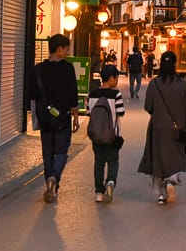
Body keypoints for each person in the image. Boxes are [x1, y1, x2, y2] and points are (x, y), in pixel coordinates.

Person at [138, 50, 186, 205]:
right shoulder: (183, 84)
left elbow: (148, 106)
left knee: (158, 157)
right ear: (174, 64)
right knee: (175, 156)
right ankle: (170, 181)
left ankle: (161, 194)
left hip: (158, 127)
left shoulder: (155, 83)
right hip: (178, 127)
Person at [31, 34, 80, 204]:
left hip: (45, 119)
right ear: (59, 49)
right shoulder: (67, 68)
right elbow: (73, 94)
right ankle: (54, 178)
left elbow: (32, 95)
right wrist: (75, 116)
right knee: (61, 152)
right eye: (66, 49)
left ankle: (49, 183)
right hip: (62, 119)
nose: (67, 52)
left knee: (47, 154)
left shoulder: (38, 69)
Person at [87, 64, 125, 203]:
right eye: (116, 77)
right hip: (112, 136)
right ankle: (110, 182)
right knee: (113, 161)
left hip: (96, 135)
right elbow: (121, 113)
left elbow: (88, 112)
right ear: (111, 78)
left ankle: (99, 192)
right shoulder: (116, 95)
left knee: (99, 162)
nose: (117, 80)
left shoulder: (92, 94)